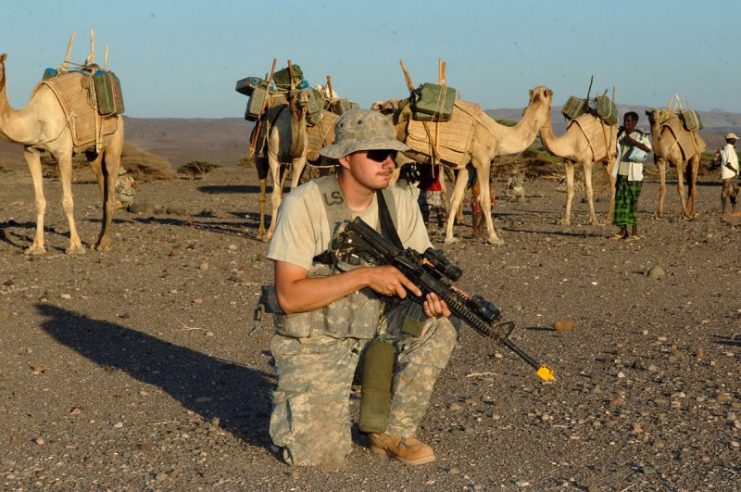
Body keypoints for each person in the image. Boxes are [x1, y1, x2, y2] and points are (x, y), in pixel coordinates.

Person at [266, 109, 458, 467]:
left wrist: (438, 295)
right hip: (318, 337)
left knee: (438, 323)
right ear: (344, 158)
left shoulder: (400, 202)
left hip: (376, 327)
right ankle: (307, 397)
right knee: (318, 456)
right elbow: (288, 296)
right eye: (376, 154)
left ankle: (390, 430)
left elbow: (419, 271)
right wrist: (367, 276)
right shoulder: (304, 204)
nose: (388, 163)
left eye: (392, 155)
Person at [610, 111, 652, 240]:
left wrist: (632, 141)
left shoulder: (640, 135)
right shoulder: (621, 135)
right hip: (621, 172)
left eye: (629, 121)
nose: (627, 123)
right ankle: (623, 231)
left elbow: (648, 149)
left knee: (632, 203)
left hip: (634, 175)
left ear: (635, 122)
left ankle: (635, 232)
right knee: (620, 202)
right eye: (625, 120)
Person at [719, 132, 739, 215]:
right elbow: (728, 163)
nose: (735, 140)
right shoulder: (729, 149)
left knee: (733, 191)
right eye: (734, 139)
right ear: (731, 139)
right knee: (725, 192)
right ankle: (724, 211)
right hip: (729, 174)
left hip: (730, 174)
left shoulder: (727, 148)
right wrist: (735, 171)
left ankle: (733, 210)